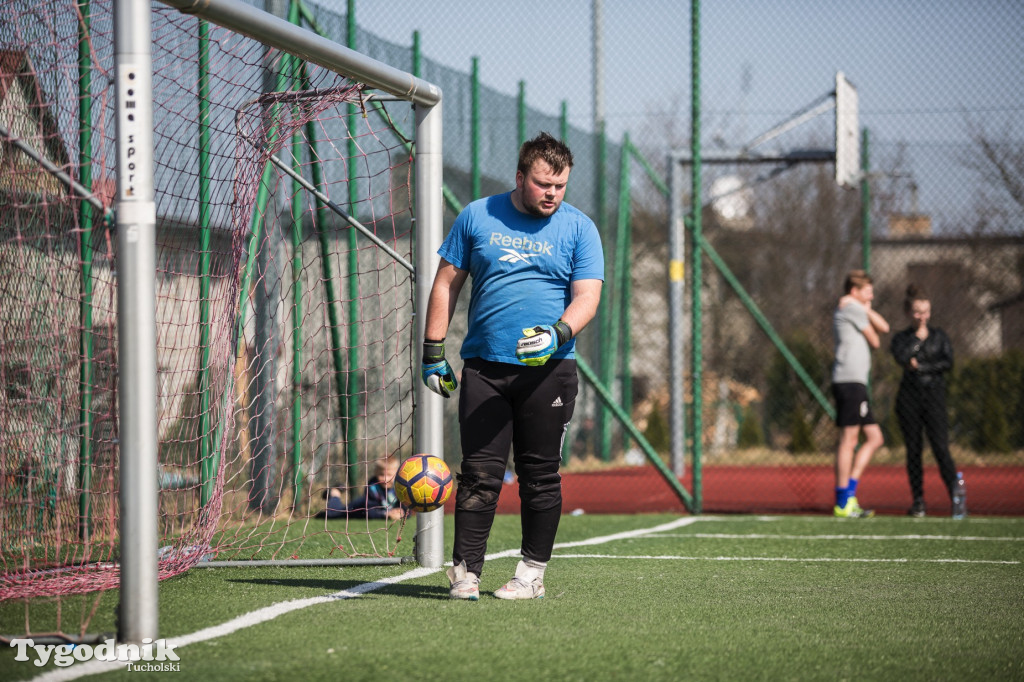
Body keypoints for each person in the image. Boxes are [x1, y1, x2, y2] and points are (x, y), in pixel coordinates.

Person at [421, 132, 604, 600]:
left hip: (551, 371)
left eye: (560, 186)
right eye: (543, 184)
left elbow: (588, 298)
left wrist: (557, 333)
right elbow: (446, 285)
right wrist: (432, 350)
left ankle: (531, 575)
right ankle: (466, 573)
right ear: (520, 177)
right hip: (485, 368)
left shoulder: (580, 229)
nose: (552, 194)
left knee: (539, 476)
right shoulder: (477, 216)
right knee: (479, 474)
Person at [890, 284, 961, 518]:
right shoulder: (902, 338)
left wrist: (921, 366)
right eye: (918, 312)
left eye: (926, 311)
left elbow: (947, 362)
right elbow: (902, 356)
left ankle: (956, 497)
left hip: (934, 397)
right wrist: (916, 347)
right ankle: (918, 500)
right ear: (909, 312)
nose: (923, 317)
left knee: (941, 448)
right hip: (909, 399)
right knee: (914, 451)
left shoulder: (939, 336)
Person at [830, 269, 889, 518]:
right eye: (867, 291)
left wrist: (862, 305)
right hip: (849, 381)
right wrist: (859, 306)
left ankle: (849, 494)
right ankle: (843, 501)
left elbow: (885, 326)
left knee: (875, 438)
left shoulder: (854, 306)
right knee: (849, 440)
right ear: (854, 291)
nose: (872, 296)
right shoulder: (852, 308)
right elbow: (876, 339)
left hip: (856, 383)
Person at [317, 456, 405, 521]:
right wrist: (386, 515)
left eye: (389, 475)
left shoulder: (400, 488)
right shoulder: (372, 488)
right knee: (334, 513)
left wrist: (401, 513)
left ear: (397, 474)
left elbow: (406, 509)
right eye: (381, 475)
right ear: (375, 473)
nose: (385, 479)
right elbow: (370, 512)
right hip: (359, 507)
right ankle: (335, 493)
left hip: (364, 512)